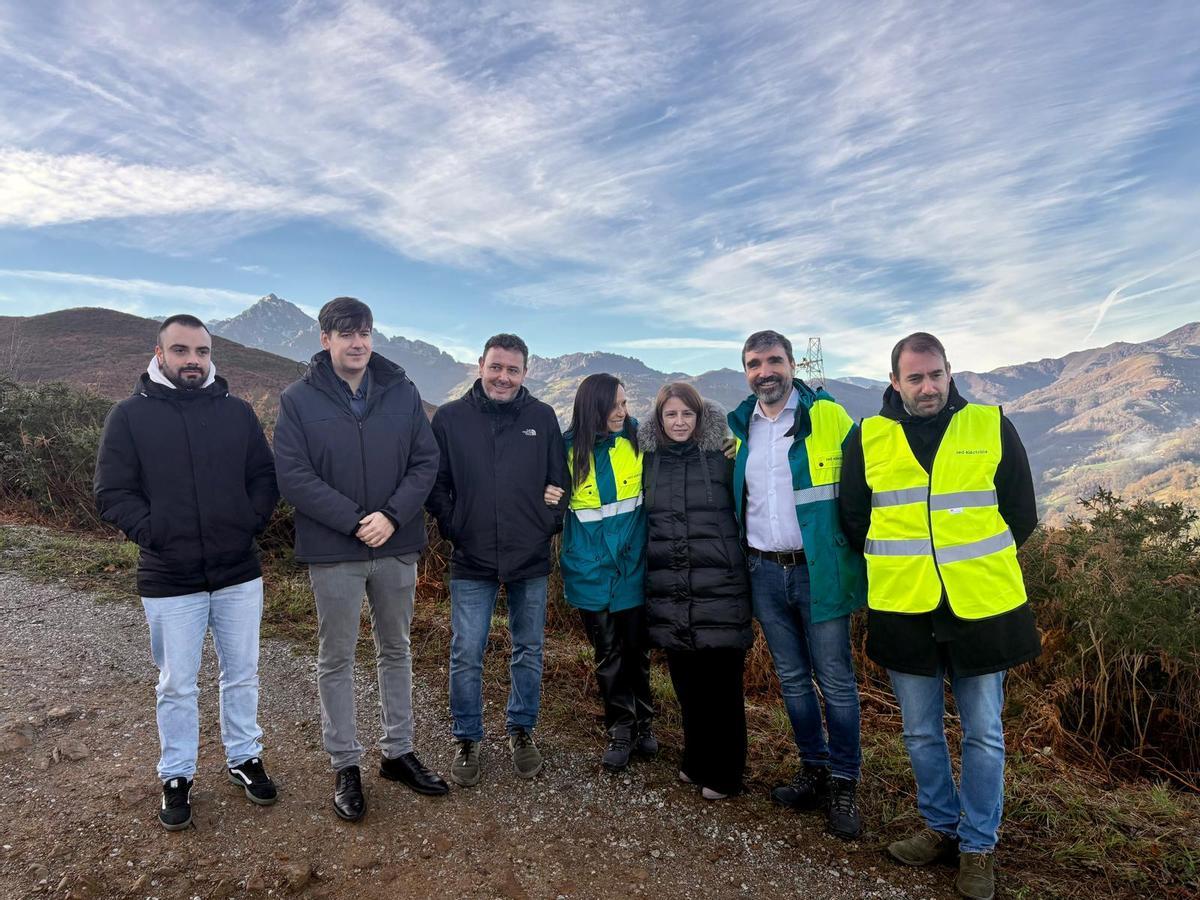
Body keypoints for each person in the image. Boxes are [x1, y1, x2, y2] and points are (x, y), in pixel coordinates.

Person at [838, 332, 1040, 900]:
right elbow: (854, 520)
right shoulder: (867, 437)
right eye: (915, 378)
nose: (927, 387)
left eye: (935, 375)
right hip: (905, 607)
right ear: (895, 382)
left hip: (980, 606)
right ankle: (941, 827)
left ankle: (978, 846)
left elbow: (1020, 512)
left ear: (949, 373)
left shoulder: (990, 425)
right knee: (921, 732)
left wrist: (967, 565)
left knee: (985, 734)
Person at [95, 314, 280, 831]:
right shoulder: (129, 416)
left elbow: (264, 476)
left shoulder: (237, 412)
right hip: (169, 576)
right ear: (160, 354)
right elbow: (112, 492)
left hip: (238, 571)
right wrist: (156, 533)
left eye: (201, 351)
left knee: (242, 672)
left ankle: (244, 757)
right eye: (181, 350)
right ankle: (176, 774)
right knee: (176, 683)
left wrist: (248, 522)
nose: (192, 360)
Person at [273, 296, 446, 821]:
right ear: (325, 339)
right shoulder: (297, 399)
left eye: (365, 332)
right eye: (346, 333)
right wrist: (353, 521)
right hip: (334, 549)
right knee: (337, 657)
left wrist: (391, 516)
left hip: (395, 544)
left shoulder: (402, 391)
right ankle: (345, 763)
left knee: (396, 649)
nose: (358, 342)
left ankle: (398, 752)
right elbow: (293, 475)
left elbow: (425, 461)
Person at [726, 330, 866, 839]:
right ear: (746, 371)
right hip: (763, 571)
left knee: (836, 681)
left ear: (791, 364)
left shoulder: (830, 417)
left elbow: (861, 490)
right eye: (754, 363)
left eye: (774, 361)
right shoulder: (741, 428)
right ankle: (814, 768)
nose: (765, 371)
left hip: (818, 570)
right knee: (791, 679)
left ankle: (845, 781)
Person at [426, 333, 566, 786]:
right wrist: (455, 525)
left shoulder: (541, 417)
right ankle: (467, 737)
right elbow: (435, 483)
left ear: (525, 372)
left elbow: (560, 481)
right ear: (480, 365)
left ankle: (521, 730)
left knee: (529, 648)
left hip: (530, 554)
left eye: (513, 370)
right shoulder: (450, 418)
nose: (504, 377)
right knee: (467, 651)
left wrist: (547, 522)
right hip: (473, 555)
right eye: (496, 367)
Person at [639, 383, 752, 800]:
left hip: (719, 586)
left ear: (700, 416)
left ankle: (726, 773)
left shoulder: (724, 457)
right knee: (687, 683)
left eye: (687, 414)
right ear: (659, 419)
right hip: (670, 588)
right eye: (671, 414)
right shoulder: (649, 461)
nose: (679, 422)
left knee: (722, 686)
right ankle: (697, 759)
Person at [558, 373, 655, 771]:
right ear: (593, 407)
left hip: (631, 566)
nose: (622, 412)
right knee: (607, 653)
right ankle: (620, 728)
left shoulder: (638, 439)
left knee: (636, 650)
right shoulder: (564, 451)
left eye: (625, 404)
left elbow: (685, 443)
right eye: (615, 405)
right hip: (589, 569)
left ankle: (645, 722)